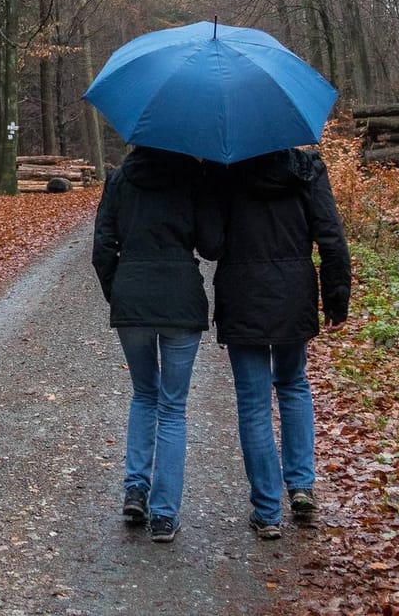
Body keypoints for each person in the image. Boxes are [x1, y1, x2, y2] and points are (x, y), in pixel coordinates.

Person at [210, 148, 350, 540]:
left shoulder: (226, 173)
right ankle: (302, 486)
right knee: (292, 385)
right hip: (293, 295)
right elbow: (331, 235)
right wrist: (336, 297)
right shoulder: (306, 170)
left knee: (254, 403)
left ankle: (268, 511)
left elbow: (210, 242)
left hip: (242, 296)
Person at [93, 146, 221, 543]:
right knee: (173, 408)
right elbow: (212, 245)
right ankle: (164, 514)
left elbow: (102, 249)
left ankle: (135, 489)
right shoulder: (194, 177)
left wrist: (119, 292)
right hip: (180, 300)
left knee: (143, 396)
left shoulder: (119, 179)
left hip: (133, 299)